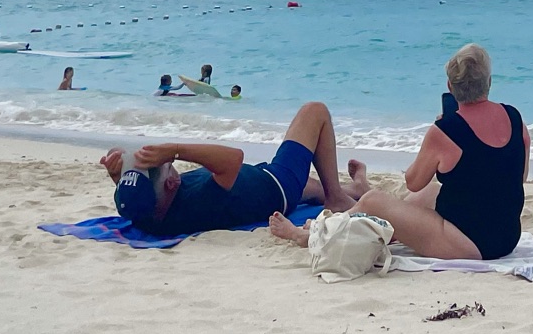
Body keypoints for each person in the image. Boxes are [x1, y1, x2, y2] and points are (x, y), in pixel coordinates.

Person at [289, 43, 525, 261]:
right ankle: (379, 229)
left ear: (450, 87)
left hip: (470, 243)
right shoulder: (515, 118)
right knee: (430, 193)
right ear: (489, 83)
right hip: (507, 236)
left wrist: (435, 140)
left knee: (373, 200)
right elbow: (518, 178)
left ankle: (314, 234)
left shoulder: (446, 131)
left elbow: (413, 181)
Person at [100, 100, 364, 239]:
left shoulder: (146, 211)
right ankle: (337, 197)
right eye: (170, 166)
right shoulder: (200, 200)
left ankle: (355, 189)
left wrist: (118, 173)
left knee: (312, 186)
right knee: (314, 111)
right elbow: (233, 158)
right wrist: (175, 149)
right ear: (171, 183)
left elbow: (137, 196)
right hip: (277, 186)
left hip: (253, 187)